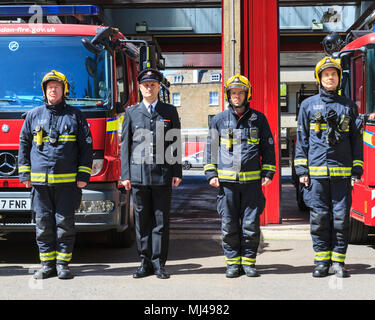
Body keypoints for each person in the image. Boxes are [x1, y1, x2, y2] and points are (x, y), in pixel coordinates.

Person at [18, 70, 93, 279]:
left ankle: (63, 265)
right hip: (40, 184)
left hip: (68, 184)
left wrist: (83, 176)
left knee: (65, 224)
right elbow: (23, 144)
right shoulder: (33, 115)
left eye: (57, 87)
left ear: (64, 91)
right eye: (49, 87)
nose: (53, 90)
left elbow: (86, 147)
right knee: (43, 225)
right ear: (45, 91)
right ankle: (47, 265)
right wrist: (24, 175)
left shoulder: (75, 116)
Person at [294, 57, 364, 278]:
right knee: (319, 218)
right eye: (326, 75)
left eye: (333, 74)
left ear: (339, 78)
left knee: (342, 219)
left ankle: (338, 263)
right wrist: (302, 171)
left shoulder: (349, 106)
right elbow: (302, 139)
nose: (330, 77)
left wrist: (356, 170)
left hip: (342, 175)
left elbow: (356, 141)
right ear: (319, 78)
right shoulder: (307, 105)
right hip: (316, 176)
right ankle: (321, 262)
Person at [204, 74, 276, 278]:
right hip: (227, 185)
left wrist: (268, 171)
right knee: (228, 225)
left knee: (251, 225)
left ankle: (249, 263)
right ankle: (232, 264)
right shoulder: (219, 120)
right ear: (228, 95)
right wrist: (211, 173)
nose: (237, 96)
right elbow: (211, 148)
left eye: (240, 92)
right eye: (233, 93)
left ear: (247, 94)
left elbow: (268, 148)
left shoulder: (258, 119)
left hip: (252, 184)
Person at [120, 68, 182, 279]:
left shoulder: (169, 111)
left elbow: (175, 142)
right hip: (138, 176)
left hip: (162, 175)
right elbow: (125, 146)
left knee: (161, 221)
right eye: (145, 85)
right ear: (139, 87)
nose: (149, 88)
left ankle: (159, 264)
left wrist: (177, 171)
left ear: (158, 87)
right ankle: (144, 262)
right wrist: (125, 174)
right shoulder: (131, 113)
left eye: (153, 85)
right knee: (142, 221)